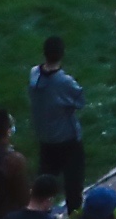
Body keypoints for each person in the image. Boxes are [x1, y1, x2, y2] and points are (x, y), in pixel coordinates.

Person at [29, 38, 87, 200]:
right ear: (62, 54)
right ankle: (73, 213)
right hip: (67, 139)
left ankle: (39, 209)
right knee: (73, 185)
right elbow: (80, 101)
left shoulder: (34, 74)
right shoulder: (64, 81)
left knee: (44, 184)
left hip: (45, 137)